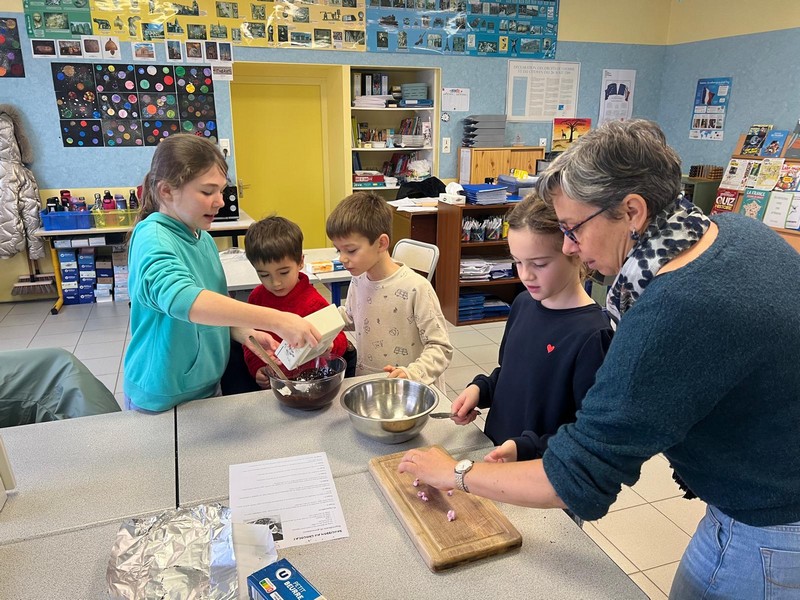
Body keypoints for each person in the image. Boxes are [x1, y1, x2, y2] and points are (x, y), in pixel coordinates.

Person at [398, 120, 800, 599]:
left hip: (771, 522)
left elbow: (577, 477)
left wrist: (455, 473)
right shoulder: (733, 231)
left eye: (573, 229)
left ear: (632, 212)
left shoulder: (674, 309)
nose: (568, 245)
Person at [124, 134, 320, 412]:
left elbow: (212, 309)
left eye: (221, 191)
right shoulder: (152, 237)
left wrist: (246, 333)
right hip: (162, 395)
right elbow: (182, 299)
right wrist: (278, 320)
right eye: (207, 192)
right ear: (166, 191)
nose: (220, 201)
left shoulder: (202, 237)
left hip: (204, 386)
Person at [450, 195, 613, 462]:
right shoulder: (523, 303)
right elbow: (511, 373)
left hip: (542, 469)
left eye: (539, 264)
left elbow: (591, 434)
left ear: (574, 252)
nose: (525, 275)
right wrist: (481, 390)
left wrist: (528, 447)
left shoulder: (593, 336)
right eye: (518, 261)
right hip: (496, 455)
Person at [325, 191, 452, 388]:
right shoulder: (359, 279)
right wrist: (316, 324)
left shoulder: (417, 288)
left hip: (412, 388)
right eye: (338, 250)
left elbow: (441, 347)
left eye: (350, 250)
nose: (342, 258)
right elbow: (351, 315)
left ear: (381, 243)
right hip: (370, 383)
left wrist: (412, 373)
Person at [242, 215, 355, 388]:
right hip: (275, 382)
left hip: (309, 382)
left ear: (300, 262)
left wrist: (329, 346)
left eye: (284, 272)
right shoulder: (257, 298)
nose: (275, 282)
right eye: (264, 275)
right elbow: (250, 341)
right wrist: (258, 368)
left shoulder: (313, 302)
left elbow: (340, 337)